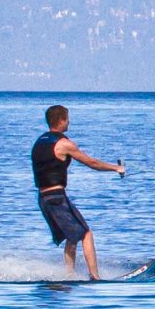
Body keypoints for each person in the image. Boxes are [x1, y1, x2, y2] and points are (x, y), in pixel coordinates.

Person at [32, 104, 124, 281]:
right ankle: (95, 277)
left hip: (44, 198)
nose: (69, 122)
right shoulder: (64, 144)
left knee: (71, 236)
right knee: (85, 233)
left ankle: (69, 276)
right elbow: (92, 163)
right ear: (61, 121)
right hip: (56, 198)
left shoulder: (39, 141)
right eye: (67, 119)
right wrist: (116, 168)